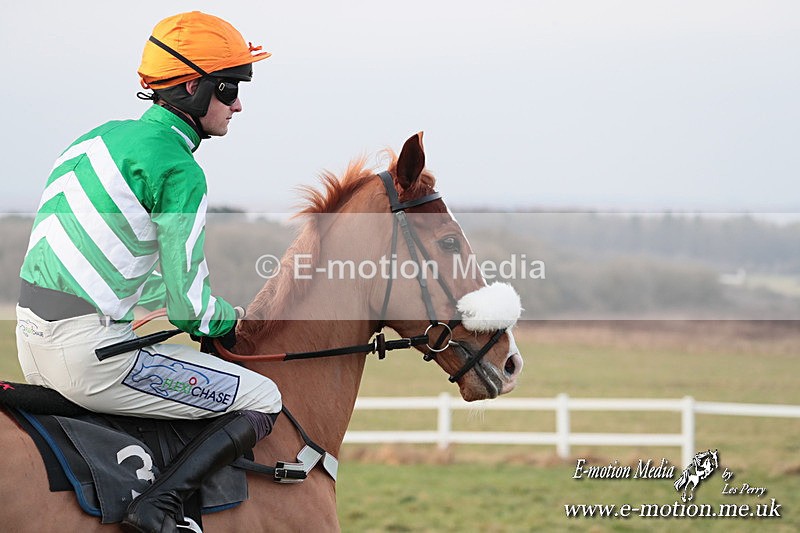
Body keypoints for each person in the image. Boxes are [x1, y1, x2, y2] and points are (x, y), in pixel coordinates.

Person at [15, 11, 281, 533]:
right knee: (263, 396)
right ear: (192, 87)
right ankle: (159, 508)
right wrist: (230, 320)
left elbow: (124, 266)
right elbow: (191, 309)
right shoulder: (180, 169)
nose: (238, 105)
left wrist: (163, 301)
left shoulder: (96, 139)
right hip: (90, 359)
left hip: (31, 346)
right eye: (229, 89)